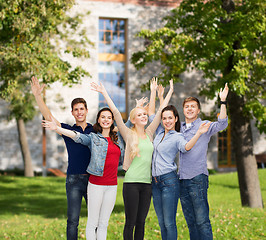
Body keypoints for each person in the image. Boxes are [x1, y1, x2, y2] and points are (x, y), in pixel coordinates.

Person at [90, 79, 173, 240]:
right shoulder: (128, 133)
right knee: (131, 222)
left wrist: (155, 92)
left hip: (147, 184)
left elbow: (162, 109)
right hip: (131, 184)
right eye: (139, 115)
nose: (143, 116)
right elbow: (114, 112)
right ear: (133, 119)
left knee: (141, 223)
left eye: (144, 114)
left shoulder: (149, 133)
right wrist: (104, 92)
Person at [42, 107, 124, 240]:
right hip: (96, 185)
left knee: (103, 223)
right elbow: (77, 136)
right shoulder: (93, 138)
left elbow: (128, 124)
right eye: (103, 117)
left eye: (109, 117)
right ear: (98, 119)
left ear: (113, 120)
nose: (106, 120)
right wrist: (57, 128)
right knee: (93, 223)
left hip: (112, 186)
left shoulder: (117, 138)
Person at [31, 76, 93, 240]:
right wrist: (38, 96)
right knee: (73, 220)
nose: (79, 112)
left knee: (95, 220)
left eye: (82, 108)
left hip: (93, 180)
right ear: (72, 112)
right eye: (76, 109)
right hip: (73, 179)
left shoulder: (95, 130)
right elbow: (49, 117)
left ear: (87, 110)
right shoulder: (67, 130)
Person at [148, 79, 211, 240]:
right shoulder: (160, 131)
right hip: (154, 182)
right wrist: (155, 93)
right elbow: (153, 113)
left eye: (171, 118)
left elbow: (187, 147)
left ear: (176, 119)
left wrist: (198, 133)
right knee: (162, 222)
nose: (167, 121)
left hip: (169, 180)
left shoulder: (178, 136)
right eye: (164, 119)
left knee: (169, 223)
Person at [179, 83, 229, 240]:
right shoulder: (178, 127)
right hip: (181, 180)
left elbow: (222, 123)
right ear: (183, 110)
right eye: (187, 106)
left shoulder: (204, 125)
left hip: (197, 179)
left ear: (198, 110)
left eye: (193, 106)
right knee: (191, 222)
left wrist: (222, 101)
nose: (190, 109)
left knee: (202, 222)